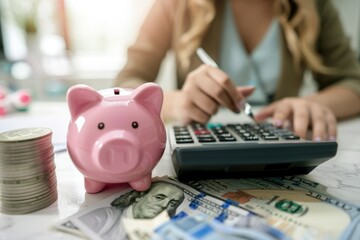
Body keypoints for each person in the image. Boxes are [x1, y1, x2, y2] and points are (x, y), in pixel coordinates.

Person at [114, 0, 360, 141]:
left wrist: (313, 104)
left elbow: (352, 82)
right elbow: (126, 83)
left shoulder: (314, 6)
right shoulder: (175, 4)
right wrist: (175, 103)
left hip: (283, 143)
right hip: (200, 142)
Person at [78, 181, 185, 240]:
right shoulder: (105, 216)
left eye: (173, 204)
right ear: (140, 196)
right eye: (159, 197)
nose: (164, 205)